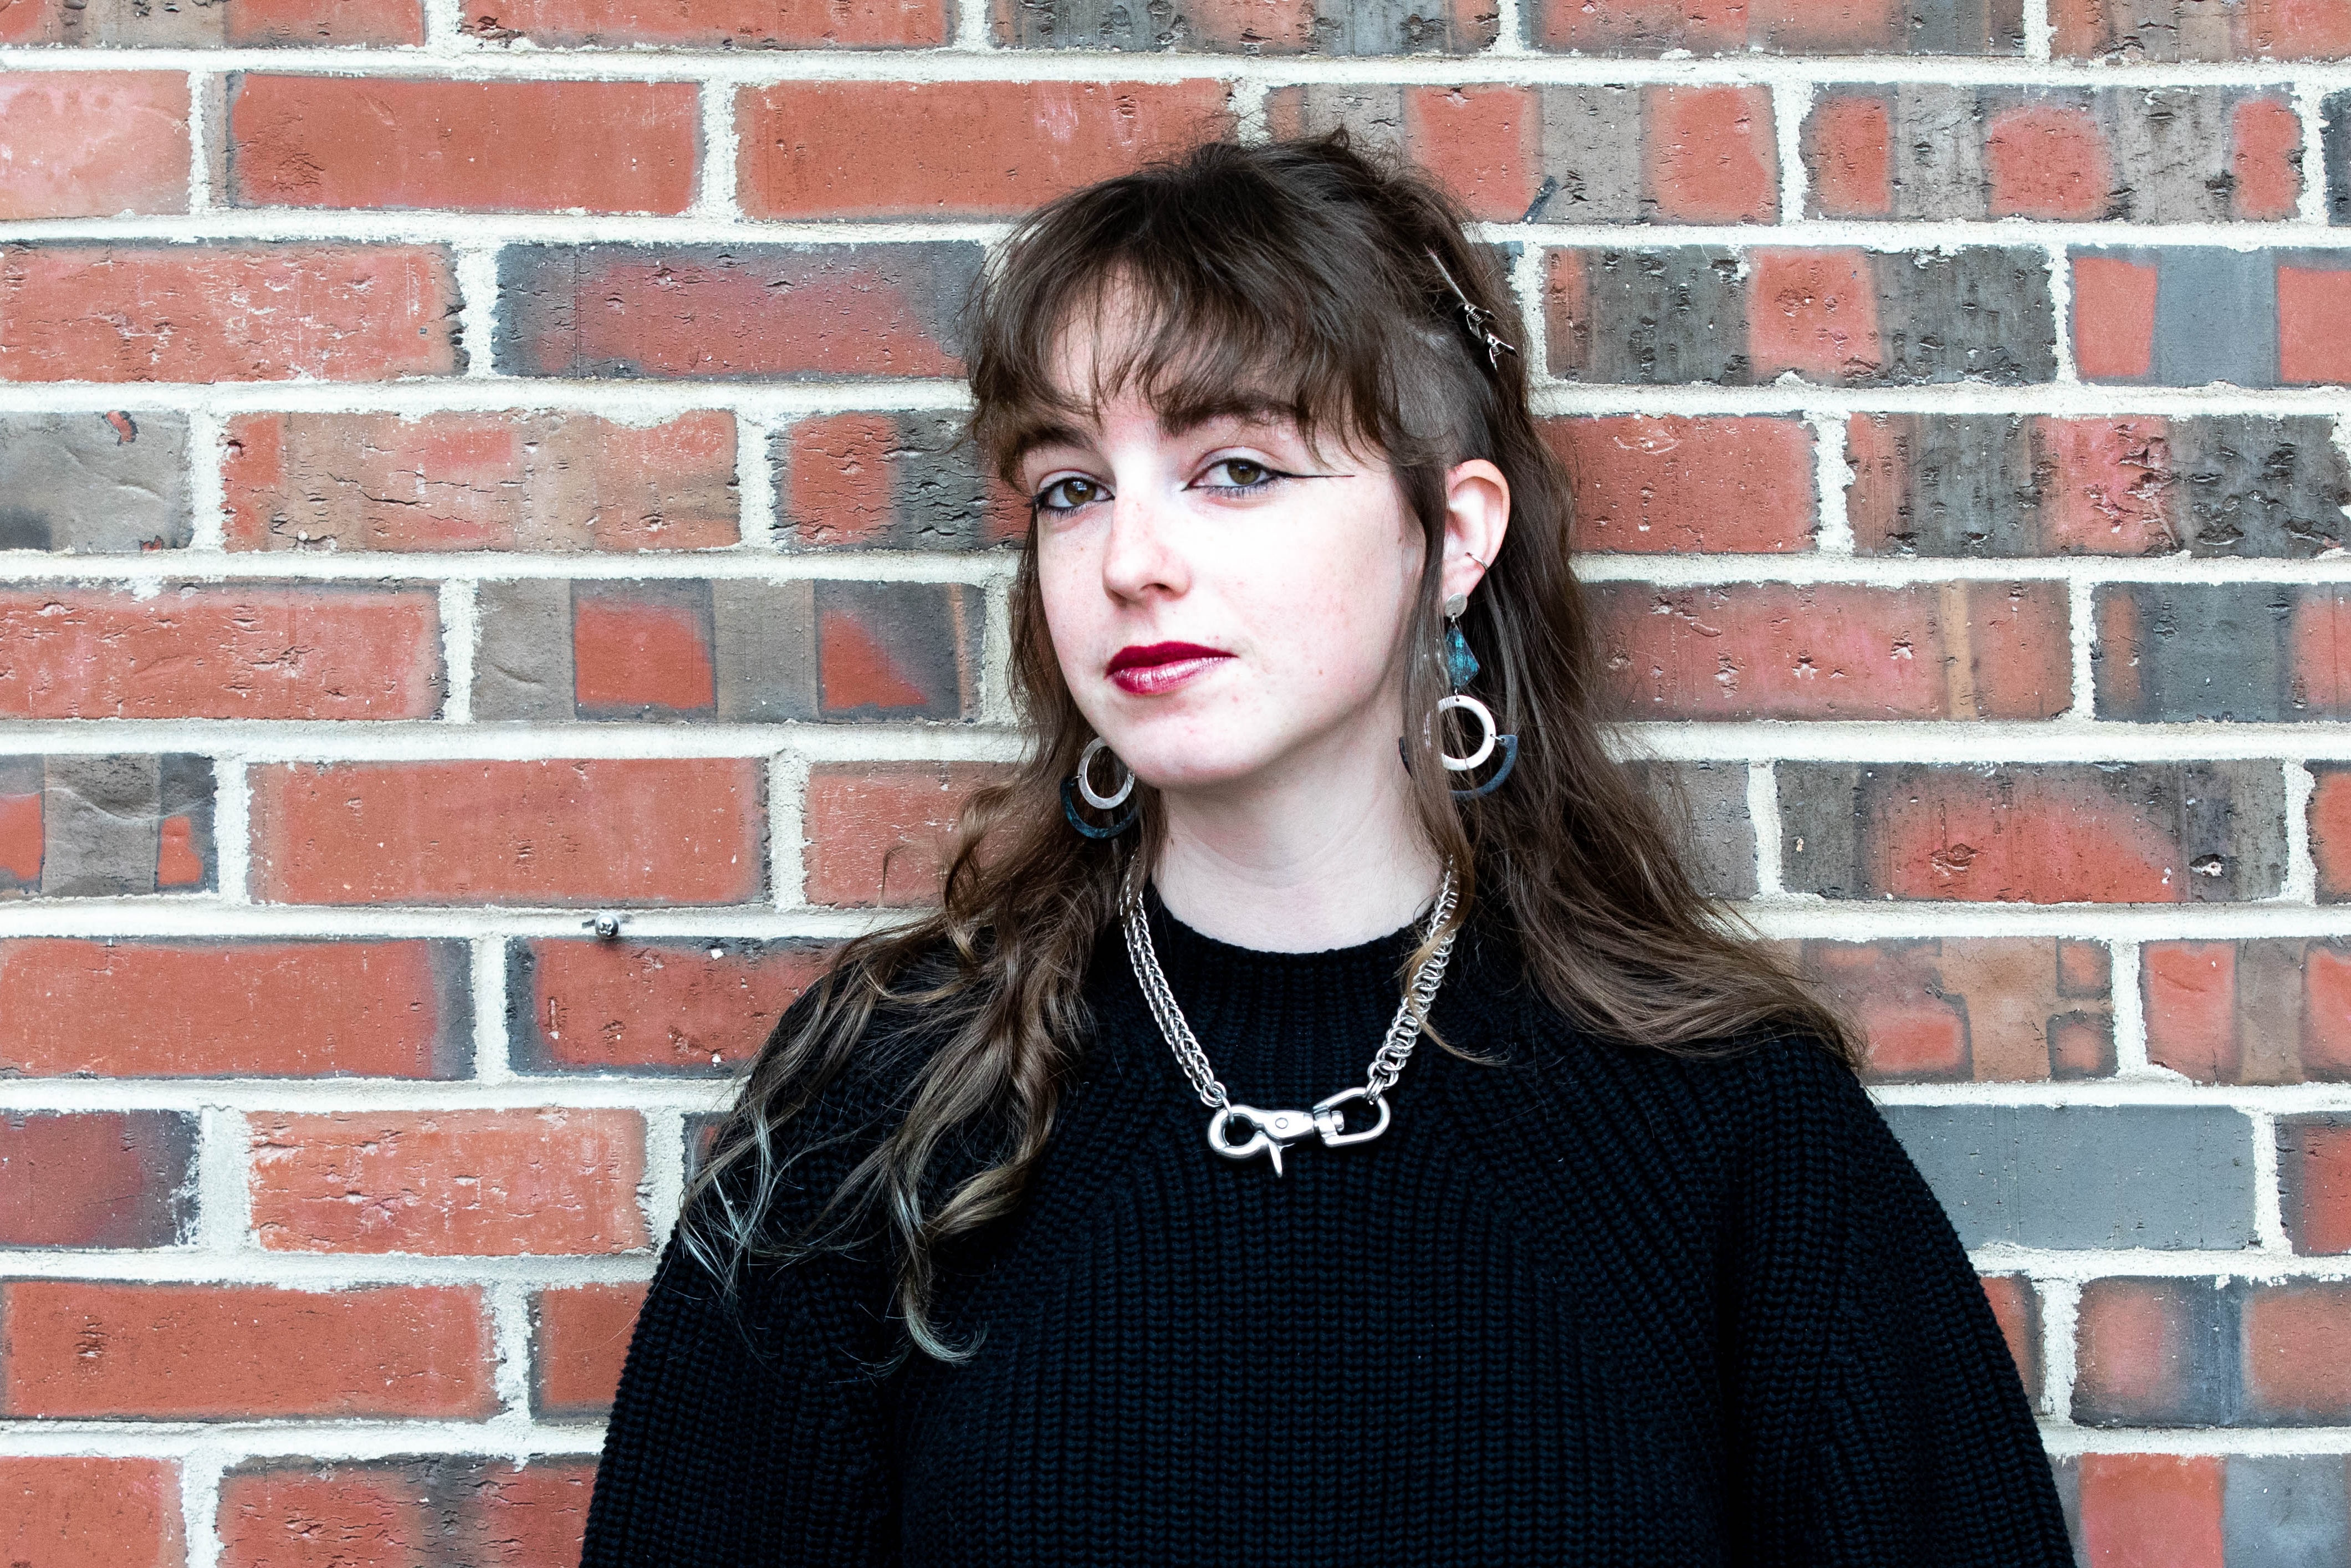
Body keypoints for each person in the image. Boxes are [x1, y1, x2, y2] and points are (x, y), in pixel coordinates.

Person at [579, 131, 2074, 1567]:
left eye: (1235, 469)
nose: (1129, 560)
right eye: (1072, 488)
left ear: (1454, 533)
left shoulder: (1725, 1130)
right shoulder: (887, 1107)